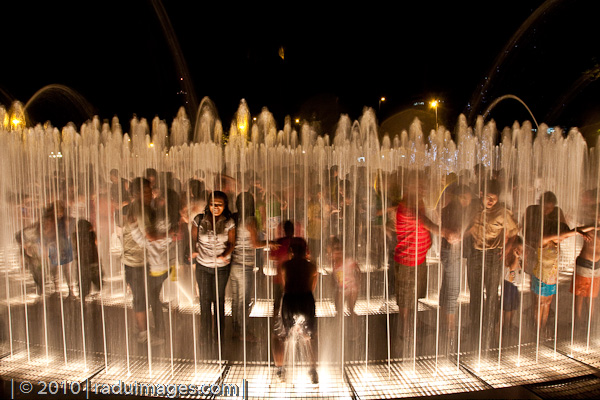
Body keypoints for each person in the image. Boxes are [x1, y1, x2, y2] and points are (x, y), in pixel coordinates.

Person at [394, 170, 457, 351]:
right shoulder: (408, 205)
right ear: (409, 186)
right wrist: (446, 233)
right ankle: (405, 333)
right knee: (406, 299)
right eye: (419, 184)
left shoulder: (416, 201)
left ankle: (416, 323)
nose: (423, 188)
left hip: (417, 259)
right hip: (408, 261)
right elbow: (425, 222)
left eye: (423, 184)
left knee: (412, 296)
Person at [467, 179, 518, 348]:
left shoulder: (503, 212)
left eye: (494, 199)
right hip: (475, 254)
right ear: (481, 194)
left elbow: (514, 232)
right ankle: (475, 326)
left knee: (491, 294)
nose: (491, 201)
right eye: (488, 197)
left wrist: (507, 248)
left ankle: (490, 328)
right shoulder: (473, 208)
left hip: (493, 255)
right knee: (475, 292)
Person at [192, 190, 235, 352]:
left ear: (225, 206)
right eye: (212, 204)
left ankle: (218, 336)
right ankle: (204, 335)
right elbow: (193, 239)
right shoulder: (199, 220)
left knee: (219, 301)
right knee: (204, 301)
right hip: (203, 267)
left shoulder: (228, 222)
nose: (215, 207)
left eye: (219, 205)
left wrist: (224, 255)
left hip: (221, 268)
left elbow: (232, 243)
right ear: (208, 205)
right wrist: (192, 253)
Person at [439, 184, 478, 350]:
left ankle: (444, 327)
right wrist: (473, 228)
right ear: (461, 196)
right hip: (451, 252)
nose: (469, 201)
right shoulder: (455, 210)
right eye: (467, 197)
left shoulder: (449, 208)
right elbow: (457, 235)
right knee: (453, 291)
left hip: (448, 252)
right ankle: (450, 333)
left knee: (447, 288)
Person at [230, 192, 269, 341]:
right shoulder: (250, 220)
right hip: (245, 265)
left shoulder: (235, 218)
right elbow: (255, 244)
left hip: (234, 264)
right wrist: (270, 243)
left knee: (236, 300)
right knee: (244, 300)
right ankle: (243, 332)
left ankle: (236, 330)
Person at [280, 237, 319, 384]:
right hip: (306, 301)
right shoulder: (311, 267)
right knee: (309, 337)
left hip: (290, 301)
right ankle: (313, 370)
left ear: (291, 250)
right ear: (305, 251)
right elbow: (312, 286)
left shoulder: (286, 266)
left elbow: (285, 286)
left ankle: (284, 371)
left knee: (287, 335)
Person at [71, 219, 101, 299]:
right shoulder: (91, 235)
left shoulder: (75, 236)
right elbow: (96, 243)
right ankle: (96, 289)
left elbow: (74, 247)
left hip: (81, 262)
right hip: (92, 260)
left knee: (82, 278)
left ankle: (83, 296)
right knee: (95, 277)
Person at [502, 236, 523, 338]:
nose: (521, 252)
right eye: (519, 249)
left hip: (514, 285)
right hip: (508, 285)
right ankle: (506, 326)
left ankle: (509, 324)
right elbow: (512, 270)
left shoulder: (518, 258)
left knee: (514, 305)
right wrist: (516, 258)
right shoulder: (509, 258)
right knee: (508, 307)